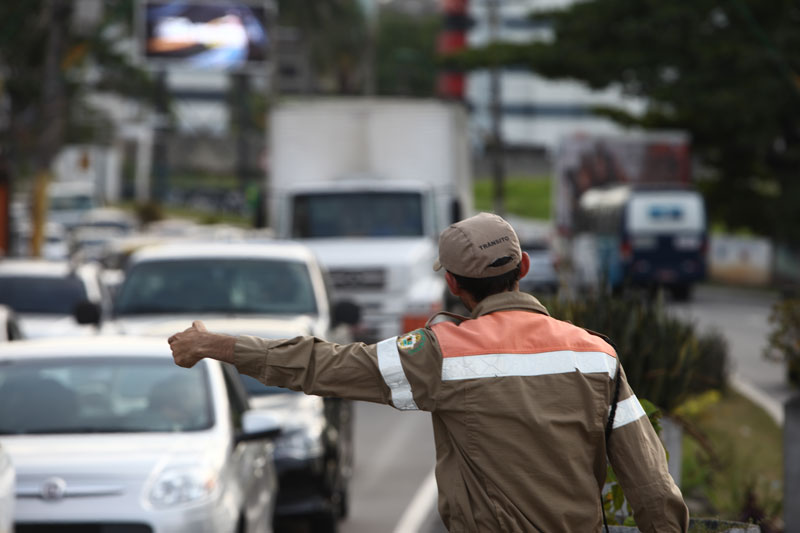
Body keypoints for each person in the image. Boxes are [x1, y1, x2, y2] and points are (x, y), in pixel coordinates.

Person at [168, 212, 689, 532]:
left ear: (454, 285)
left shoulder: (441, 352)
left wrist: (218, 345)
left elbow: (323, 365)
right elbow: (654, 488)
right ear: (524, 267)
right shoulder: (596, 356)